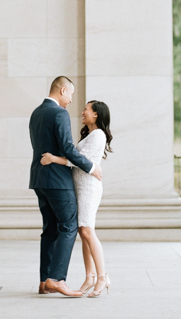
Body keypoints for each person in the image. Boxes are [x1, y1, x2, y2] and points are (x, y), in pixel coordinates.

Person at [29, 76, 102, 297]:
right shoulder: (59, 113)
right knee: (69, 226)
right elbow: (68, 148)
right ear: (62, 90)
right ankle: (57, 279)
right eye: (70, 94)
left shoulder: (36, 113)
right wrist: (91, 167)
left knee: (50, 230)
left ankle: (43, 281)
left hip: (39, 179)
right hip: (58, 181)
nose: (71, 100)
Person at [41, 100, 113, 297]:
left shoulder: (98, 135)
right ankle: (89, 277)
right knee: (83, 231)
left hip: (89, 188)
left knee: (88, 231)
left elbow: (80, 161)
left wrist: (53, 159)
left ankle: (102, 277)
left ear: (96, 114)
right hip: (80, 187)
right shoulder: (90, 134)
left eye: (86, 110)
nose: (82, 112)